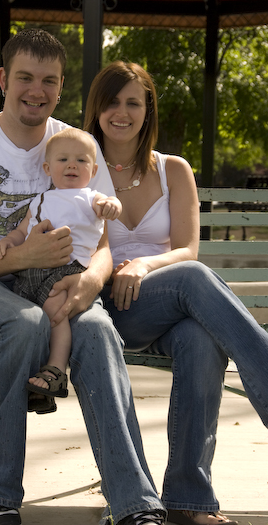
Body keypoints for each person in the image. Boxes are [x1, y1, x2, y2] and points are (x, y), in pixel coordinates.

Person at [0, 30, 167, 525]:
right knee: (24, 324)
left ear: (60, 87)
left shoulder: (76, 147)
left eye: (49, 80)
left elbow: (102, 246)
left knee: (97, 330)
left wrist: (92, 283)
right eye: (25, 77)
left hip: (62, 285)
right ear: (3, 79)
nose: (36, 90)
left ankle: (135, 504)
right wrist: (22, 255)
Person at [84, 60, 268, 525]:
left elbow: (187, 248)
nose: (122, 112)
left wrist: (144, 264)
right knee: (193, 277)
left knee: (201, 339)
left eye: (133, 103)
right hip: (108, 309)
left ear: (148, 111)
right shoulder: (79, 167)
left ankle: (188, 498)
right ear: (96, 108)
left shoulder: (173, 170)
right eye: (112, 101)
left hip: (165, 305)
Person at [0, 127, 122, 409]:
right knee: (25, 321)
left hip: (67, 270)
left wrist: (111, 205)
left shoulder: (90, 197)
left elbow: (110, 204)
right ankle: (38, 389)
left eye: (81, 160)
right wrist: (6, 243)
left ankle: (56, 371)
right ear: (48, 168)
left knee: (55, 313)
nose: (72, 165)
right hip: (30, 272)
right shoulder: (40, 200)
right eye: (63, 160)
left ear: (93, 170)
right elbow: (22, 231)